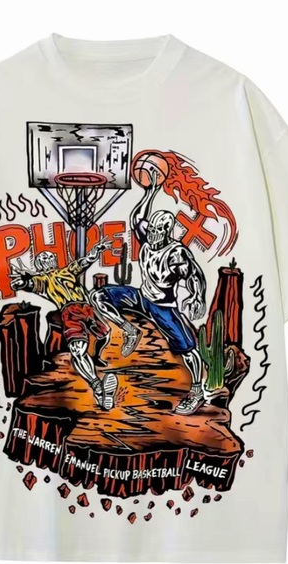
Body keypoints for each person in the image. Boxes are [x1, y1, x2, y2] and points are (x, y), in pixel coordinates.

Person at [92, 170, 209, 415]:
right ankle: (129, 330)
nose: (152, 234)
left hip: (163, 306)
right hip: (141, 297)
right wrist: (150, 193)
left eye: (157, 231)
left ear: (166, 231)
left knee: (188, 351)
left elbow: (195, 274)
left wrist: (197, 296)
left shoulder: (176, 253)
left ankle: (197, 391)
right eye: (151, 229)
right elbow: (136, 217)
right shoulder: (147, 238)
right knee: (98, 296)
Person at [9, 238, 117, 410]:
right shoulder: (43, 279)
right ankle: (98, 388)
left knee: (105, 334)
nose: (47, 259)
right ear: (39, 265)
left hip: (87, 308)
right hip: (69, 311)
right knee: (78, 351)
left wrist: (96, 250)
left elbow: (85, 262)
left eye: (49, 256)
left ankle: (96, 357)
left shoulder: (67, 270)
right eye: (43, 258)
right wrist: (21, 283)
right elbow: (30, 284)